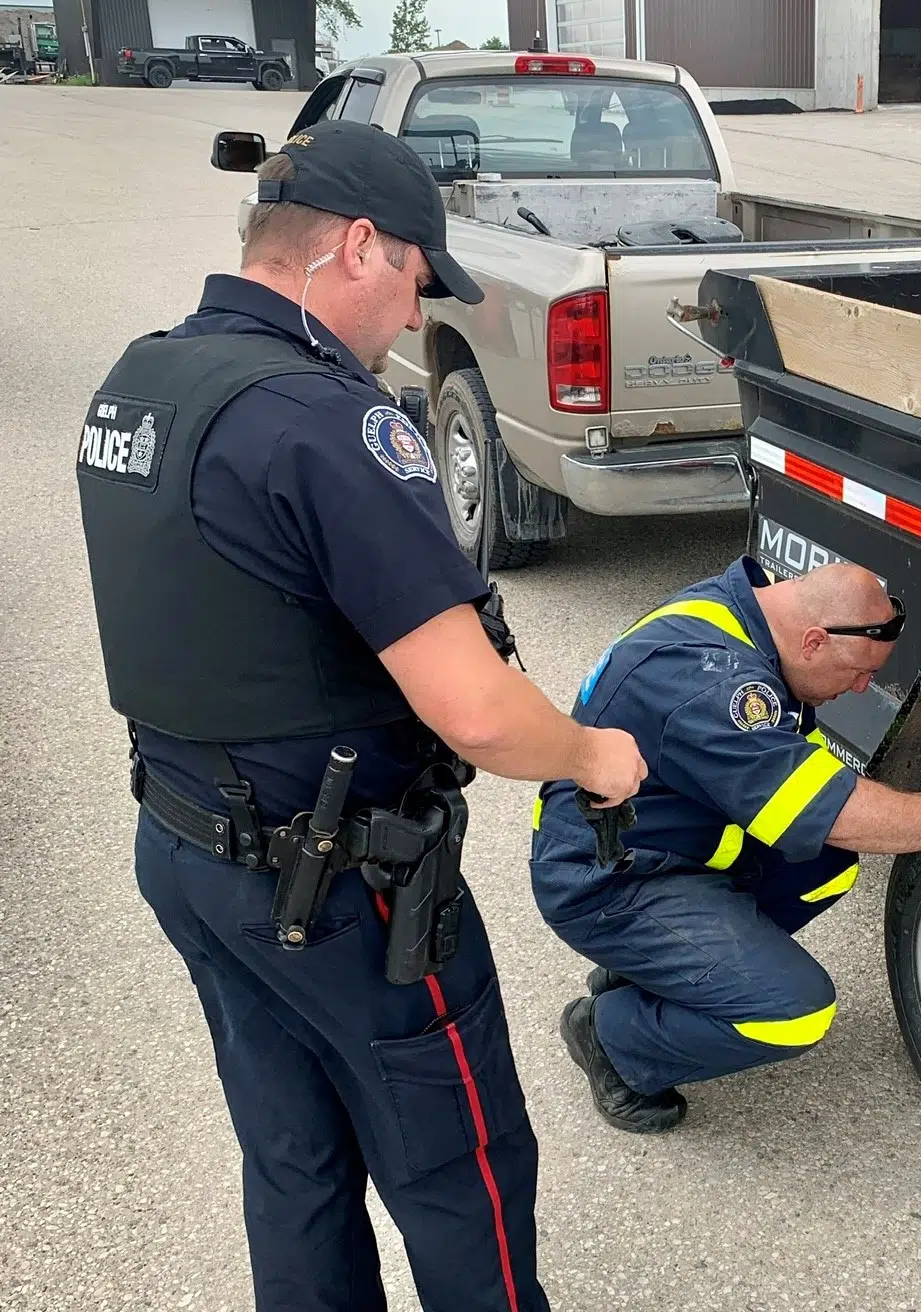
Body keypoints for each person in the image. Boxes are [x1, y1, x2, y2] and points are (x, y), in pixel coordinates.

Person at [74, 119, 646, 1312]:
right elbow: (478, 713)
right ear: (359, 247)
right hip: (340, 890)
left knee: (293, 1157)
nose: (410, 318)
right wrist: (592, 753)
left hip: (190, 851)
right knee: (461, 1166)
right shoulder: (327, 421)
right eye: (416, 283)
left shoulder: (137, 381)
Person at [529, 557, 921, 1133]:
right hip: (609, 879)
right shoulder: (710, 684)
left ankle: (651, 976)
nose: (861, 687)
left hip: (671, 841)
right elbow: (839, 814)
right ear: (813, 641)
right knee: (794, 1013)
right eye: (856, 672)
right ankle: (609, 1038)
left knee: (824, 864)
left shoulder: (745, 614)